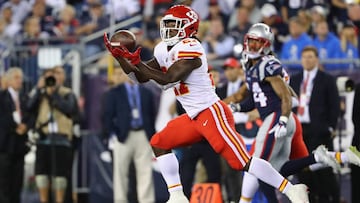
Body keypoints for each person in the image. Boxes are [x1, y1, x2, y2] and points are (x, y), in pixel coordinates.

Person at [103, 5, 309, 203]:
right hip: (193, 116)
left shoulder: (192, 47)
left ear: (188, 27)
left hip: (211, 113)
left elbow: (168, 79)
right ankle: (177, 196)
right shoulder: (163, 48)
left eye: (174, 25)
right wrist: (122, 59)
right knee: (159, 143)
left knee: (242, 162)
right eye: (167, 24)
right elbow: (140, 78)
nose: (168, 29)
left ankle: (291, 189)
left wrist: (136, 61)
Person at [289, 46, 341, 203]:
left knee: (323, 170)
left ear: (316, 59)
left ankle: (327, 199)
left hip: (319, 130)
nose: (307, 60)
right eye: (304, 57)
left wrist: (331, 126)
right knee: (302, 170)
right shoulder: (295, 79)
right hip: (300, 131)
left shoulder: (327, 79)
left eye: (310, 57)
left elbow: (335, 104)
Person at [102, 66, 156, 203]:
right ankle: (120, 200)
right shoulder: (114, 93)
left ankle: (147, 200)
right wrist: (114, 134)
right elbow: (107, 115)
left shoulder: (146, 92)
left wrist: (150, 133)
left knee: (145, 171)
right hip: (123, 135)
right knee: (120, 172)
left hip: (143, 134)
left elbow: (151, 114)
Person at [27, 67, 78, 203]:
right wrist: (39, 89)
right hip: (43, 138)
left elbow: (69, 108)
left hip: (61, 139)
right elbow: (29, 107)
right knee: (41, 175)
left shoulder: (67, 93)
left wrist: (53, 94)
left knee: (60, 176)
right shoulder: (40, 94)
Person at [0, 68, 30, 203]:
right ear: (9, 80)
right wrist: (15, 127)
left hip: (20, 146)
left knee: (17, 183)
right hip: (5, 146)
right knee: (4, 183)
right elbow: (3, 117)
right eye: (16, 77)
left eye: (21, 77)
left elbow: (30, 115)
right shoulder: (1, 96)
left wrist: (25, 125)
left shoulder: (24, 97)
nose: (20, 80)